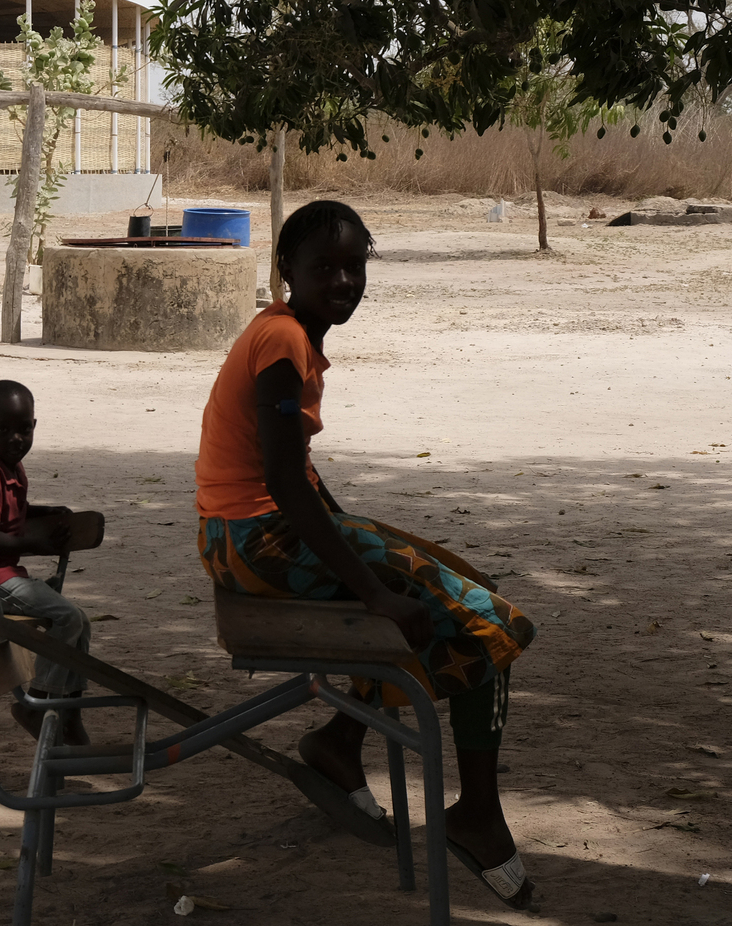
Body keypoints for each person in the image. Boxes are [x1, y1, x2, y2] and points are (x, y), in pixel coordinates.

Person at [194, 199, 537, 911]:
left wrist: (371, 552)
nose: (344, 280)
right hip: (259, 541)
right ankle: (475, 812)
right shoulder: (284, 339)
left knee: (453, 578)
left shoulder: (283, 332)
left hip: (237, 537)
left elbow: (297, 472)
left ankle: (341, 741)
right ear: (287, 270)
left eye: (355, 266)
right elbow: (285, 482)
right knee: (487, 619)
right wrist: (376, 589)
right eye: (327, 267)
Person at [0, 378, 94, 743]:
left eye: (24, 429)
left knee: (82, 624)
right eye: (4, 430)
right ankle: (38, 702)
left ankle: (69, 709)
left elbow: (18, 511)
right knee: (67, 617)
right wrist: (38, 543)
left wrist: (49, 511)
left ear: (34, 426)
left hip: (4, 576)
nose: (16, 438)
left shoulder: (11, 467)